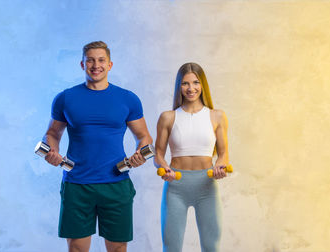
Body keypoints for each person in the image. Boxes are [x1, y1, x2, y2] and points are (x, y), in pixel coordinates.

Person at [43, 41, 152, 252]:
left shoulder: (128, 99)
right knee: (76, 248)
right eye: (90, 60)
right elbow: (52, 133)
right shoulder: (65, 98)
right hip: (77, 183)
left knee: (118, 248)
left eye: (101, 60)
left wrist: (140, 154)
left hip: (116, 183)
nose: (96, 65)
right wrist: (52, 151)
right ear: (82, 65)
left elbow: (144, 136)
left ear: (110, 64)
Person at [154, 62, 229, 252]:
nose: (191, 88)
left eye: (195, 82)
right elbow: (158, 155)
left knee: (212, 247)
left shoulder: (217, 116)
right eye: (185, 83)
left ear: (202, 84)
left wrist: (220, 166)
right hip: (176, 186)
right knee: (171, 247)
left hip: (206, 186)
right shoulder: (168, 117)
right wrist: (165, 168)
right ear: (179, 86)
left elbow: (223, 154)